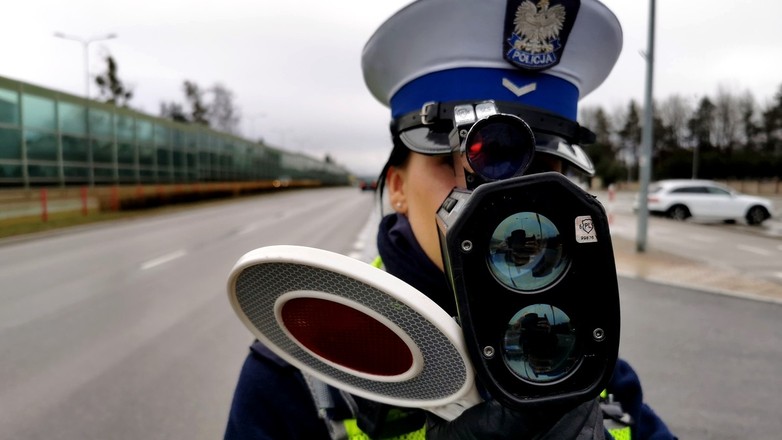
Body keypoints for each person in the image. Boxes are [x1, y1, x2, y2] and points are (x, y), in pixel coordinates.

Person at [224, 0, 677, 439]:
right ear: (397, 187)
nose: (506, 197)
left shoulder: (586, 358)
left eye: (540, 164)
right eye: (470, 164)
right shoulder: (312, 360)